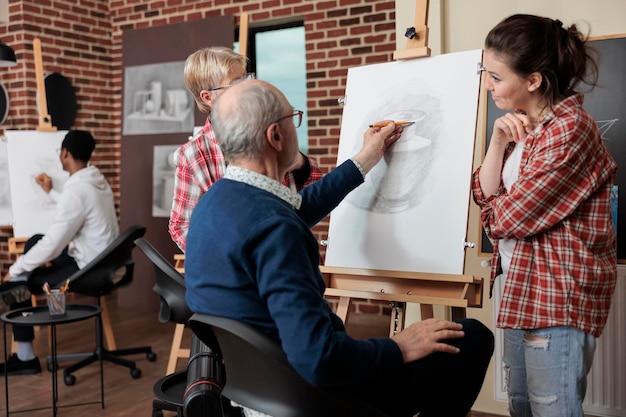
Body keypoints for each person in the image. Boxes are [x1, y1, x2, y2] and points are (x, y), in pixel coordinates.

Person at [185, 79, 494, 417]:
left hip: (258, 389)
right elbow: (319, 360)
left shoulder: (215, 205)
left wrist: (363, 160)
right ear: (275, 136)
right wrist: (399, 347)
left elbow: (296, 208)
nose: (295, 127)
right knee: (473, 338)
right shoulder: (275, 228)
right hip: (316, 395)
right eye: (293, 118)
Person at [472, 14, 617, 417]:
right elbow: (483, 192)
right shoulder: (524, 127)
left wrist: (493, 207)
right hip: (522, 290)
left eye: (496, 76)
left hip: (556, 297)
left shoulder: (569, 130)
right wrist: (498, 140)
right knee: (522, 406)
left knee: (553, 410)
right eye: (487, 72)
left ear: (533, 80)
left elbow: (505, 218)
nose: (488, 83)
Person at [169, 46, 322, 251]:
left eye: (246, 78)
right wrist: (229, 255)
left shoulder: (267, 129)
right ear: (208, 97)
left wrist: (299, 163)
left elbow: (313, 191)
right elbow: (181, 226)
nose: (247, 88)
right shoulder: (193, 155)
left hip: (284, 251)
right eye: (235, 84)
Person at [0, 130, 119, 375]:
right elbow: (76, 208)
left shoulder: (78, 191)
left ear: (65, 153)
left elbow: (54, 243)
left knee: (21, 281)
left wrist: (15, 269)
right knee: (35, 241)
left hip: (87, 268)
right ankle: (27, 290)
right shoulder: (96, 180)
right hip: (102, 260)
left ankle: (25, 359)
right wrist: (50, 192)